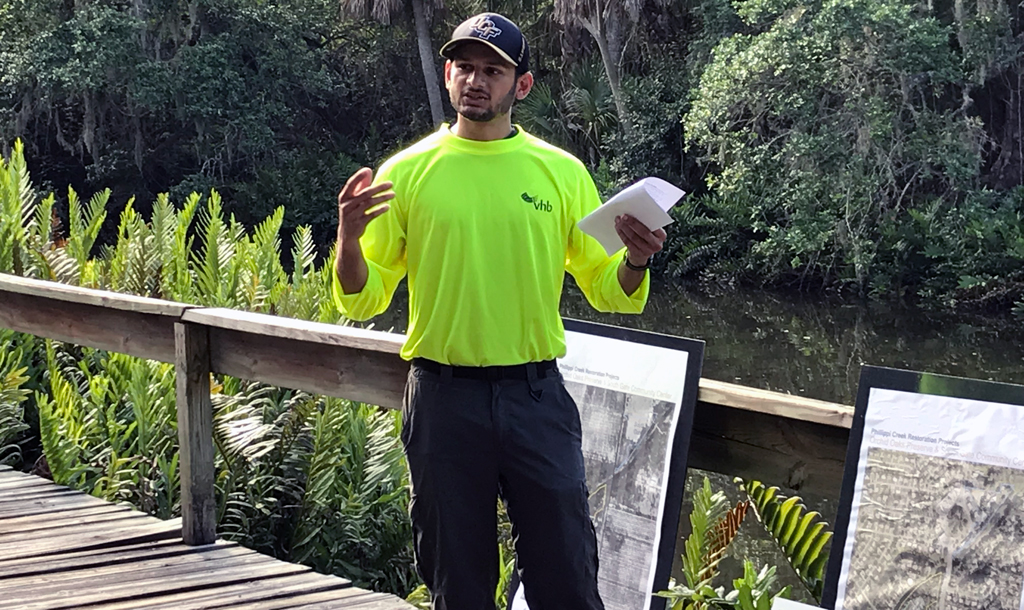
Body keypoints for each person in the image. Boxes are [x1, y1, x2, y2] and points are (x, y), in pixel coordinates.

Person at [333, 12, 666, 610]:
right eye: (465, 66)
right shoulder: (406, 173)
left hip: (535, 398)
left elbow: (606, 287)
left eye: (493, 69)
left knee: (566, 577)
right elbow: (364, 297)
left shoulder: (561, 173)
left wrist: (636, 262)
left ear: (523, 85)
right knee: (458, 585)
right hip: (441, 397)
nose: (476, 80)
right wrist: (349, 242)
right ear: (448, 72)